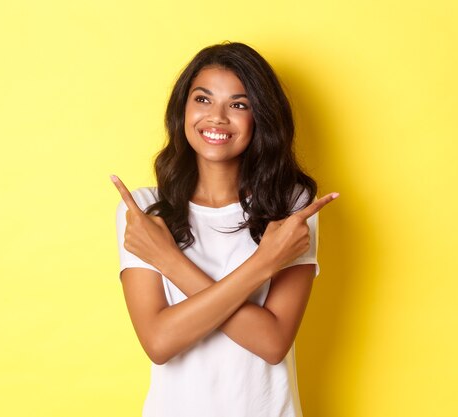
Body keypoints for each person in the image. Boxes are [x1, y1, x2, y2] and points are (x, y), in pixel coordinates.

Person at [111, 41, 339, 417]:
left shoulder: (291, 207)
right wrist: (265, 263)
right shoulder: (144, 210)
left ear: (260, 117)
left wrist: (168, 260)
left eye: (238, 104)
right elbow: (159, 341)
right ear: (182, 110)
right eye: (203, 100)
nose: (216, 117)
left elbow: (271, 341)